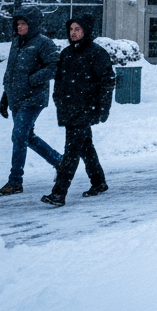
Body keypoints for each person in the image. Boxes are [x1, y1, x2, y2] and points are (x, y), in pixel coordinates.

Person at [41, 16, 114, 207]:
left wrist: (103, 108)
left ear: (86, 31)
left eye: (78, 29)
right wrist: (58, 99)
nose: (73, 32)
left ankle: (59, 193)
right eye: (71, 29)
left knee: (71, 151)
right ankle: (98, 182)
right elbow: (59, 81)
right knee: (85, 147)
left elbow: (107, 81)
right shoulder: (66, 53)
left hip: (85, 109)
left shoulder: (97, 53)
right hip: (69, 108)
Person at [0, 7, 62, 197]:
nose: (20, 27)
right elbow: (10, 71)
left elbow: (54, 67)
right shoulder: (16, 42)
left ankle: (15, 181)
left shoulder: (44, 43)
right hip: (16, 98)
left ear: (32, 25)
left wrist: (32, 80)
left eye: (23, 24)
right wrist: (5, 95)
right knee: (26, 136)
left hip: (33, 99)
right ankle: (60, 162)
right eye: (18, 24)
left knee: (18, 135)